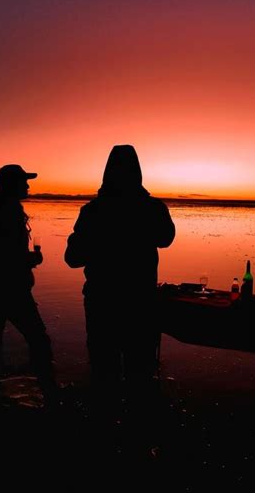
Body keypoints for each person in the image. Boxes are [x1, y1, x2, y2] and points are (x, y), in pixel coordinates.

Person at [64, 145, 175, 401]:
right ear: (138, 172)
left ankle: (105, 428)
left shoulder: (92, 211)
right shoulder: (153, 208)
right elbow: (166, 239)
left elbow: (73, 258)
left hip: (101, 301)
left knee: (104, 371)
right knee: (140, 372)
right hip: (140, 301)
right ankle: (137, 430)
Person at [0, 164, 57, 403]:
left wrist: (21, 259)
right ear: (11, 185)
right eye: (23, 182)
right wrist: (29, 258)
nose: (27, 186)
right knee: (38, 338)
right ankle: (49, 391)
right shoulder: (3, 212)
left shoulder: (0, 210)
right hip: (9, 288)